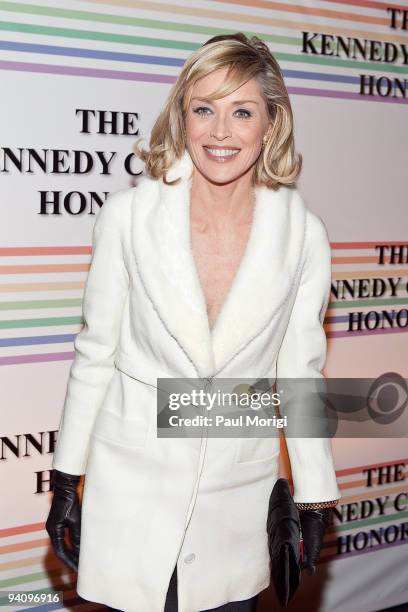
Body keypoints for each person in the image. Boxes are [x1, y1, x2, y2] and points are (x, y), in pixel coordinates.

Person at [46, 33, 341, 612]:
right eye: (204, 109)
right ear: (183, 116)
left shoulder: (303, 237)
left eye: (242, 112)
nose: (220, 132)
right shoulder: (129, 218)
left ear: (271, 123)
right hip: (132, 482)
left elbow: (300, 376)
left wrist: (314, 495)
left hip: (237, 494)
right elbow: (95, 354)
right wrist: (66, 478)